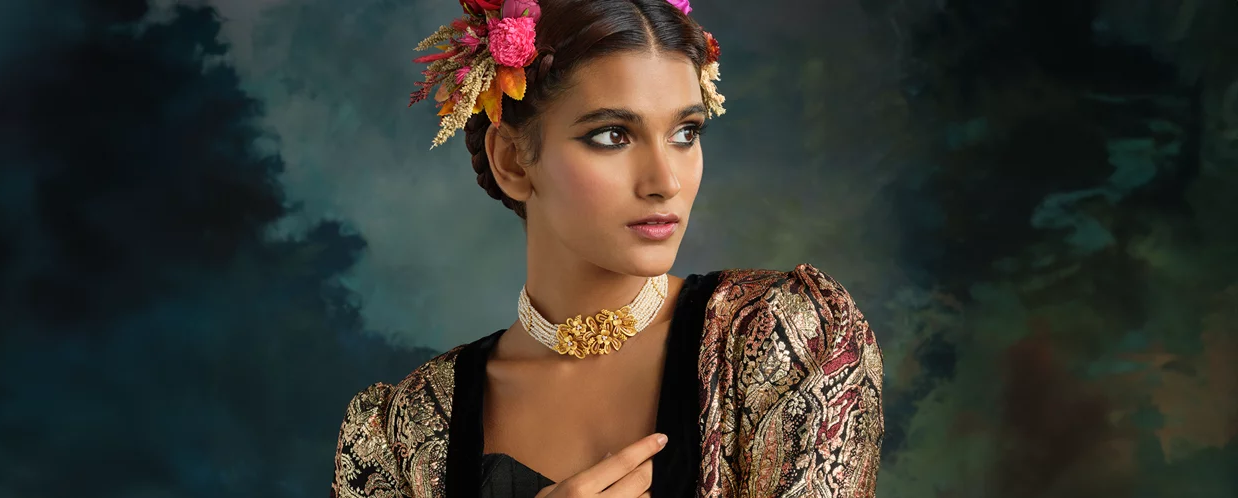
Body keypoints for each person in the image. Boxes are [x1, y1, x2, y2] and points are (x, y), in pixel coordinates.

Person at [330, 0, 885, 496]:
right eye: (612, 135)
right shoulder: (398, 433)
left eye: (685, 133)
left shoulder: (790, 339)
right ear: (512, 161)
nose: (664, 179)